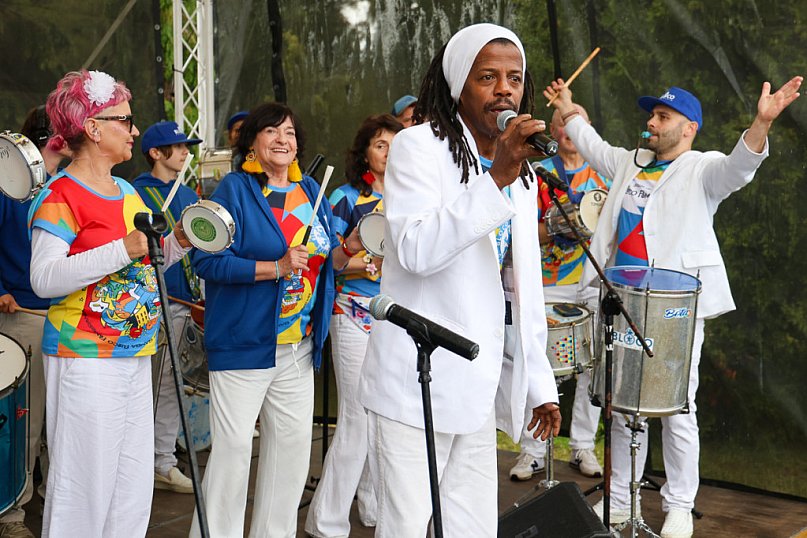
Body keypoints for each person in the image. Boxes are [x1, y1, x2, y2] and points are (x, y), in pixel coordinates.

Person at [544, 76, 802, 538]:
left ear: (689, 129)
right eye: (652, 114)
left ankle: (680, 504)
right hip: (620, 303)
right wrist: (566, 105)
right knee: (624, 408)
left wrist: (761, 122)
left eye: (662, 117)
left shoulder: (702, 168)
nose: (651, 122)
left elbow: (740, 167)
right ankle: (620, 498)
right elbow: (587, 138)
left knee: (678, 407)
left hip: (673, 309)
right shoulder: (629, 163)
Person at [358, 23, 561, 537]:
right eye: (487, 77)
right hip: (414, 386)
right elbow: (416, 249)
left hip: (474, 386)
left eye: (514, 78)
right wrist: (496, 178)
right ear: (456, 86)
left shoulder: (520, 168)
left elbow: (524, 286)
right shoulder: (417, 148)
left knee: (472, 530)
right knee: (406, 528)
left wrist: (539, 381)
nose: (504, 89)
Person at [28, 70, 192, 537]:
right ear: (95, 127)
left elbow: (146, 255)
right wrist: (125, 247)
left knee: (131, 487)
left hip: (134, 353)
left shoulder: (128, 191)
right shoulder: (59, 195)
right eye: (126, 120)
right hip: (84, 357)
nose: (135, 131)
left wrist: (181, 239)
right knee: (84, 487)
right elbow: (43, 278)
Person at [189, 102, 344, 538]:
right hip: (244, 342)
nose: (283, 140)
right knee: (234, 452)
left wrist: (349, 249)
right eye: (272, 131)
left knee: (291, 455)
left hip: (298, 345)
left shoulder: (312, 190)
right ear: (252, 141)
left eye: (290, 132)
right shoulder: (234, 191)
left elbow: (325, 257)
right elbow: (206, 261)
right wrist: (274, 268)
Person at [305, 114, 402, 538]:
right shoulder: (346, 198)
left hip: (394, 317)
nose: (389, 152)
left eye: (396, 144)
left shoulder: (410, 196)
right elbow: (329, 261)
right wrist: (359, 261)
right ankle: (325, 521)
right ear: (364, 151)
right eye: (381, 144)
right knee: (356, 418)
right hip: (352, 314)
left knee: (383, 415)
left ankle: (371, 503)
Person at [509, 104, 608, 481]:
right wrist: (556, 229)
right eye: (560, 123)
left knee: (591, 364)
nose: (567, 130)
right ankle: (532, 450)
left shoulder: (602, 174)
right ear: (551, 130)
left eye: (573, 122)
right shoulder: (533, 170)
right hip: (543, 281)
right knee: (537, 361)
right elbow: (517, 233)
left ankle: (582, 445)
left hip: (588, 280)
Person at [0, 105, 69, 538]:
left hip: (69, 322)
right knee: (26, 422)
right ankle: (12, 513)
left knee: (64, 423)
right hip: (23, 321)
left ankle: (58, 498)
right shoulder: (8, 189)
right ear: (55, 139)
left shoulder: (67, 187)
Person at [132, 120, 202, 494]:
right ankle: (148, 463)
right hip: (153, 304)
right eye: (178, 147)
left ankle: (162, 460)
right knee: (150, 386)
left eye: (186, 146)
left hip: (187, 301)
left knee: (175, 386)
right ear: (156, 153)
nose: (186, 152)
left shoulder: (189, 193)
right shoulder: (136, 193)